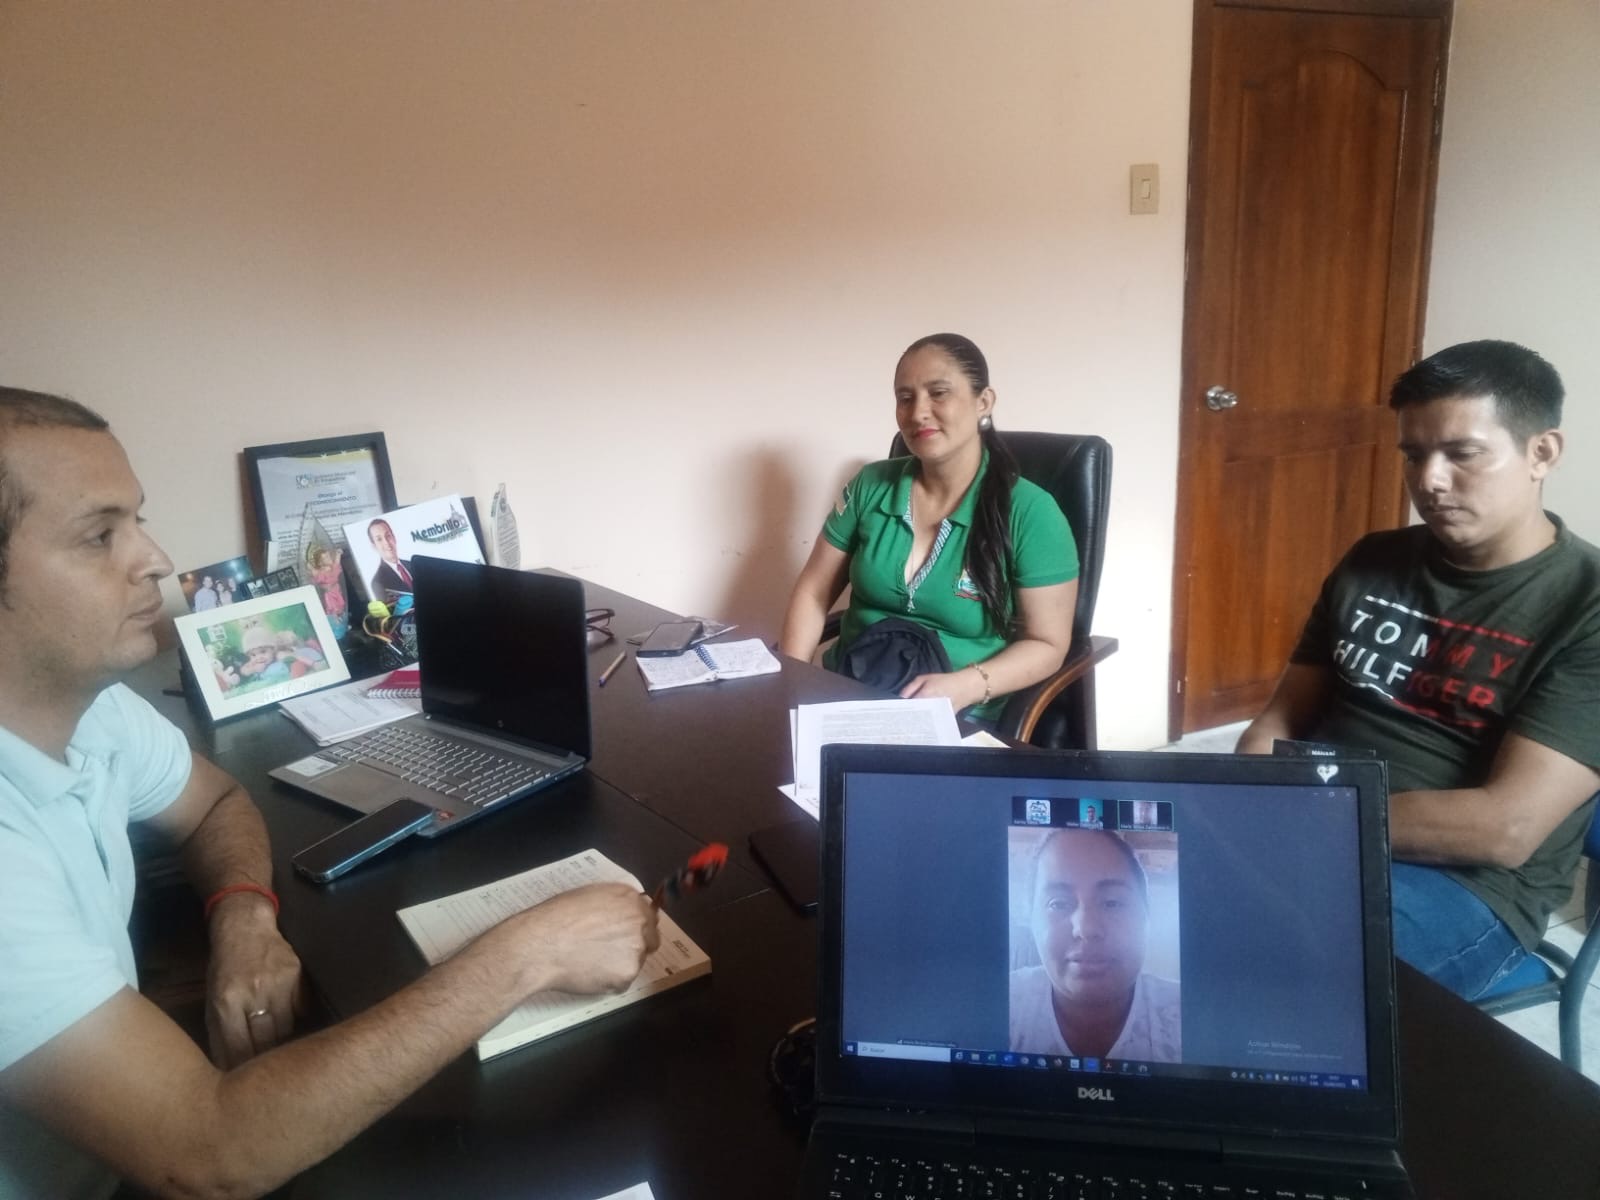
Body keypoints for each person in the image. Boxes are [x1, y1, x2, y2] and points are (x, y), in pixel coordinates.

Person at [0, 388, 661, 1199]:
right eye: (100, 535)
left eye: (138, 520)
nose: (157, 558)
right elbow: (207, 1156)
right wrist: (530, 954)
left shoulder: (94, 711)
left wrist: (242, 916)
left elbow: (212, 805)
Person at [1235, 341, 1600, 1000]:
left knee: (1281, 982)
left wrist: (1310, 819)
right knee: (1144, 908)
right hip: (1320, 821)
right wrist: (1252, 806)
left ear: (1542, 453)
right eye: (1413, 454)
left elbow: (1505, 829)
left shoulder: (1586, 604)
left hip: (1467, 884)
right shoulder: (1373, 558)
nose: (1429, 480)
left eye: (1462, 453)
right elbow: (1279, 719)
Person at [779, 333, 1078, 720]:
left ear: (984, 401)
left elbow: (1047, 643)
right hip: (850, 689)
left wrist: (967, 685)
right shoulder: (870, 485)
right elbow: (814, 590)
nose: (918, 412)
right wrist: (793, 683)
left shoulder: (1031, 512)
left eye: (938, 393)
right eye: (905, 398)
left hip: (955, 711)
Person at [1009, 829, 1181, 1062]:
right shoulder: (998, 1004)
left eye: (1112, 902)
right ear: (1031, 919)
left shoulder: (1190, 1013)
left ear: (1147, 914)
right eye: (1058, 903)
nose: (1086, 929)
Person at [367, 518, 414, 600]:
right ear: (374, 546)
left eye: (388, 536)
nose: (386, 542)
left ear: (394, 537)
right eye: (379, 539)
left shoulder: (414, 564)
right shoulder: (378, 582)